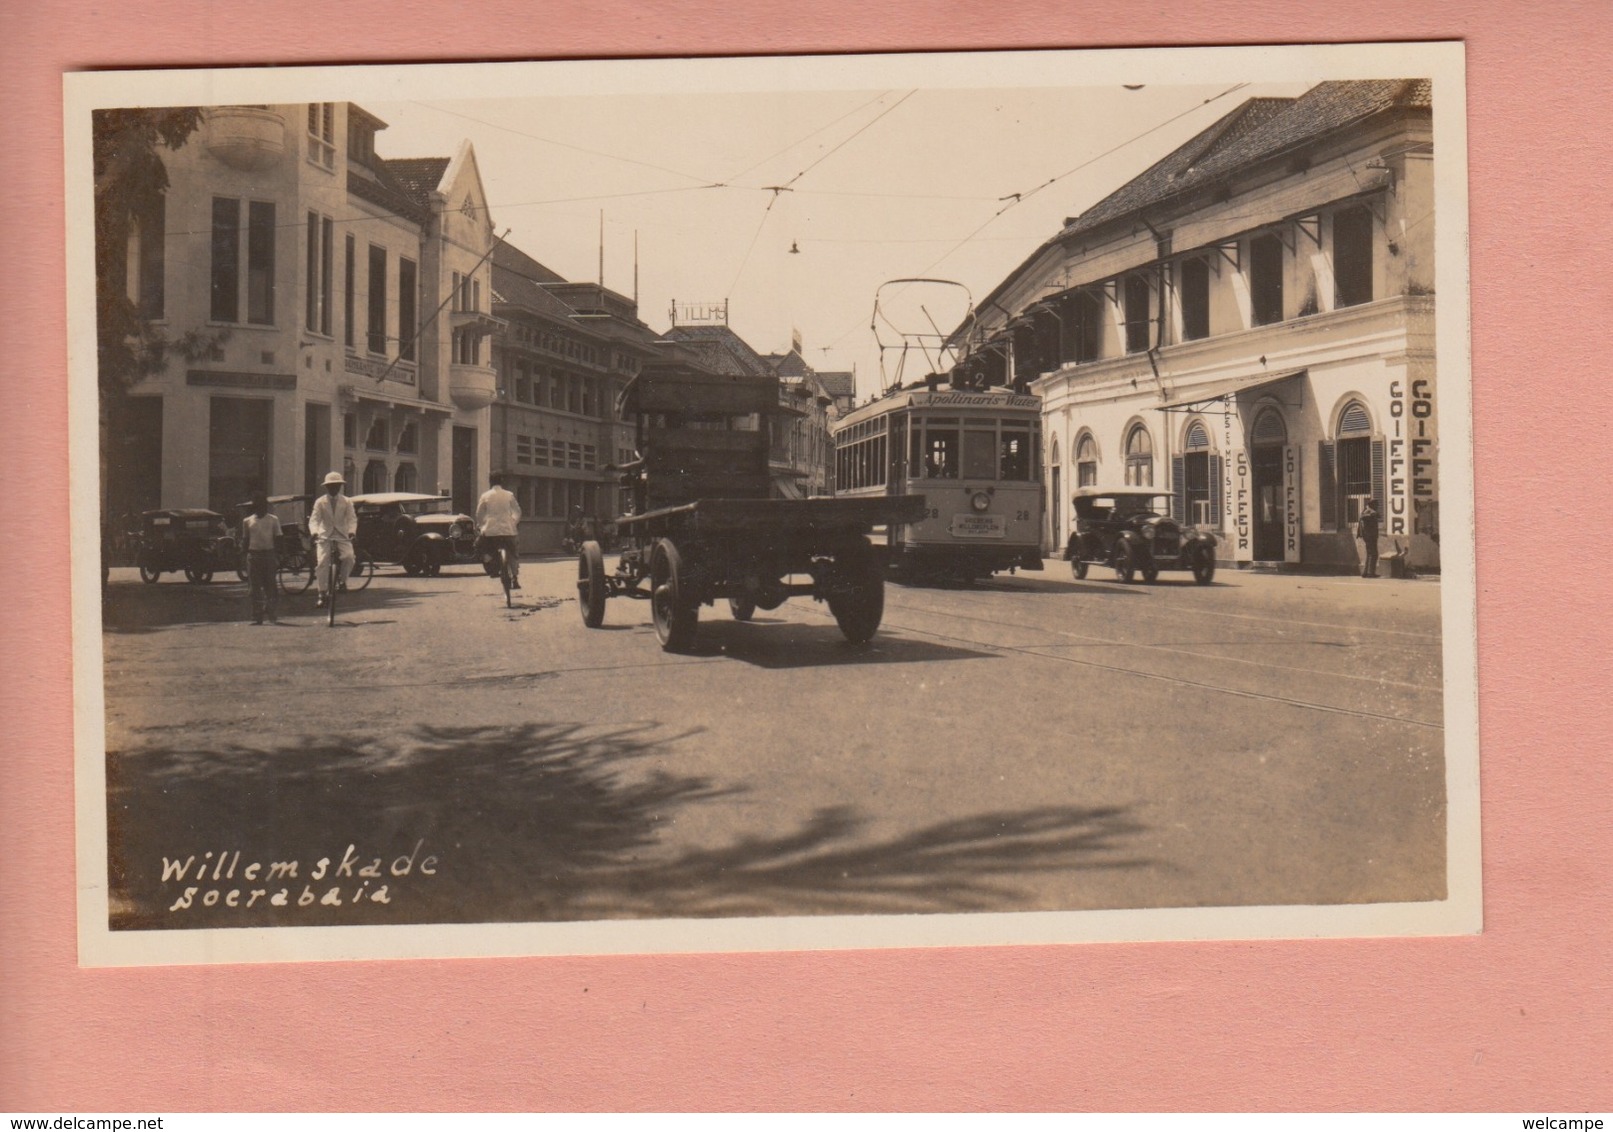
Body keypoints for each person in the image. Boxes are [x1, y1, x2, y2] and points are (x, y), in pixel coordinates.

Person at [308, 471, 357, 608]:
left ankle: (342, 580)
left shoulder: (347, 501)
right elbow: (314, 519)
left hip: (342, 535)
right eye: (331, 486)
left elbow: (352, 519)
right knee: (322, 562)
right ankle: (321, 593)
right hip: (325, 536)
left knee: (349, 557)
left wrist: (352, 532)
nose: (334, 488)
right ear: (327, 487)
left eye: (337, 485)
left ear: (340, 486)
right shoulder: (320, 502)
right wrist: (315, 532)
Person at [241, 493, 283, 624]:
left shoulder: (273, 519)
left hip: (269, 555)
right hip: (254, 556)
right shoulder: (247, 521)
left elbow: (279, 538)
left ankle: (271, 613)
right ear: (254, 506)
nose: (261, 508)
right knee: (254, 588)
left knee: (271, 586)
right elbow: (245, 540)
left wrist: (279, 555)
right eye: (258, 505)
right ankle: (257, 616)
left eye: (263, 505)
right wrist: (243, 556)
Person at [475, 471, 522, 589]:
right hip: (509, 530)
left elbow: (479, 514)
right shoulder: (509, 494)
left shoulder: (485, 496)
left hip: (491, 531)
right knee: (513, 553)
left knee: (479, 546)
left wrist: (482, 526)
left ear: (490, 482)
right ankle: (515, 578)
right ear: (502, 482)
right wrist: (513, 522)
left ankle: (493, 568)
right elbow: (518, 512)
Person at [1357, 498, 1381, 578]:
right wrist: (1372, 513)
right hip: (1370, 536)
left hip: (1369, 536)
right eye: (1376, 505)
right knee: (1373, 554)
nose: (1377, 507)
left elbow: (1378, 515)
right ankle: (1370, 573)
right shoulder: (1368, 511)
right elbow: (1363, 516)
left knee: (1370, 554)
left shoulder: (1368, 511)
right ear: (1372, 505)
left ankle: (1365, 573)